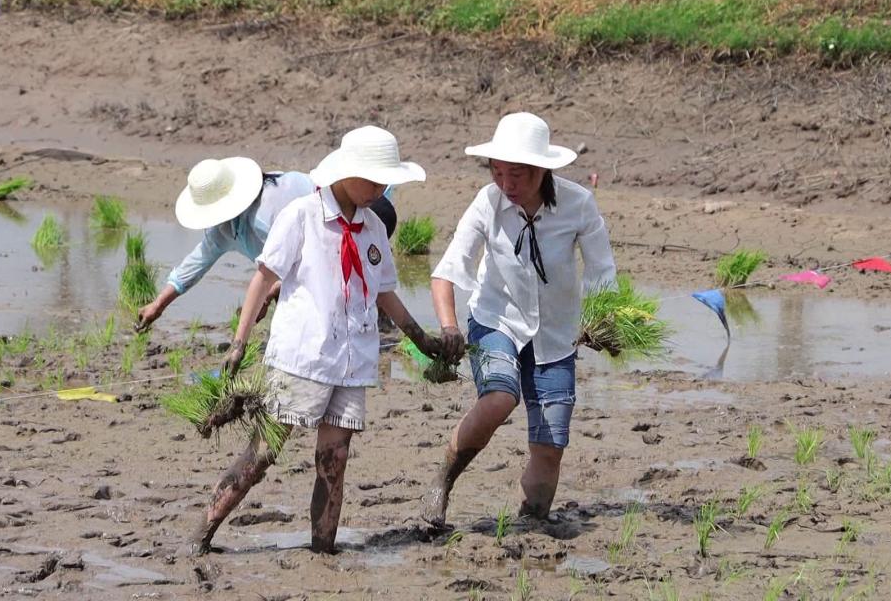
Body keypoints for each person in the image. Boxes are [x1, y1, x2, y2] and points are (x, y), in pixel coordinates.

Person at [187, 126, 449, 555]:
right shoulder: (302, 216)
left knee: (336, 459)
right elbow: (263, 279)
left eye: (386, 181)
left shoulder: (373, 230)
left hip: (352, 362)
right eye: (374, 179)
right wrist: (239, 341)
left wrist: (421, 338)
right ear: (346, 171)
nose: (381, 188)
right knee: (262, 453)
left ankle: (322, 548)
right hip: (301, 359)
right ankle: (201, 533)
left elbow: (384, 293)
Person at [421, 112, 618, 527]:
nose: (507, 185)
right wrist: (449, 326)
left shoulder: (579, 204)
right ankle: (443, 479)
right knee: (499, 397)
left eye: (518, 175)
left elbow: (602, 272)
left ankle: (531, 523)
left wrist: (604, 325)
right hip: (496, 320)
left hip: (556, 335)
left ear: (542, 170)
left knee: (549, 446)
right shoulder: (487, 203)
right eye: (497, 172)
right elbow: (449, 269)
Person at [134, 160, 397, 332]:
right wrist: (158, 305)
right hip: (325, 235)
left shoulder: (268, 213)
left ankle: (374, 317)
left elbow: (307, 258)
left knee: (341, 278)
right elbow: (195, 264)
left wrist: (266, 296)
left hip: (359, 209)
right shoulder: (223, 230)